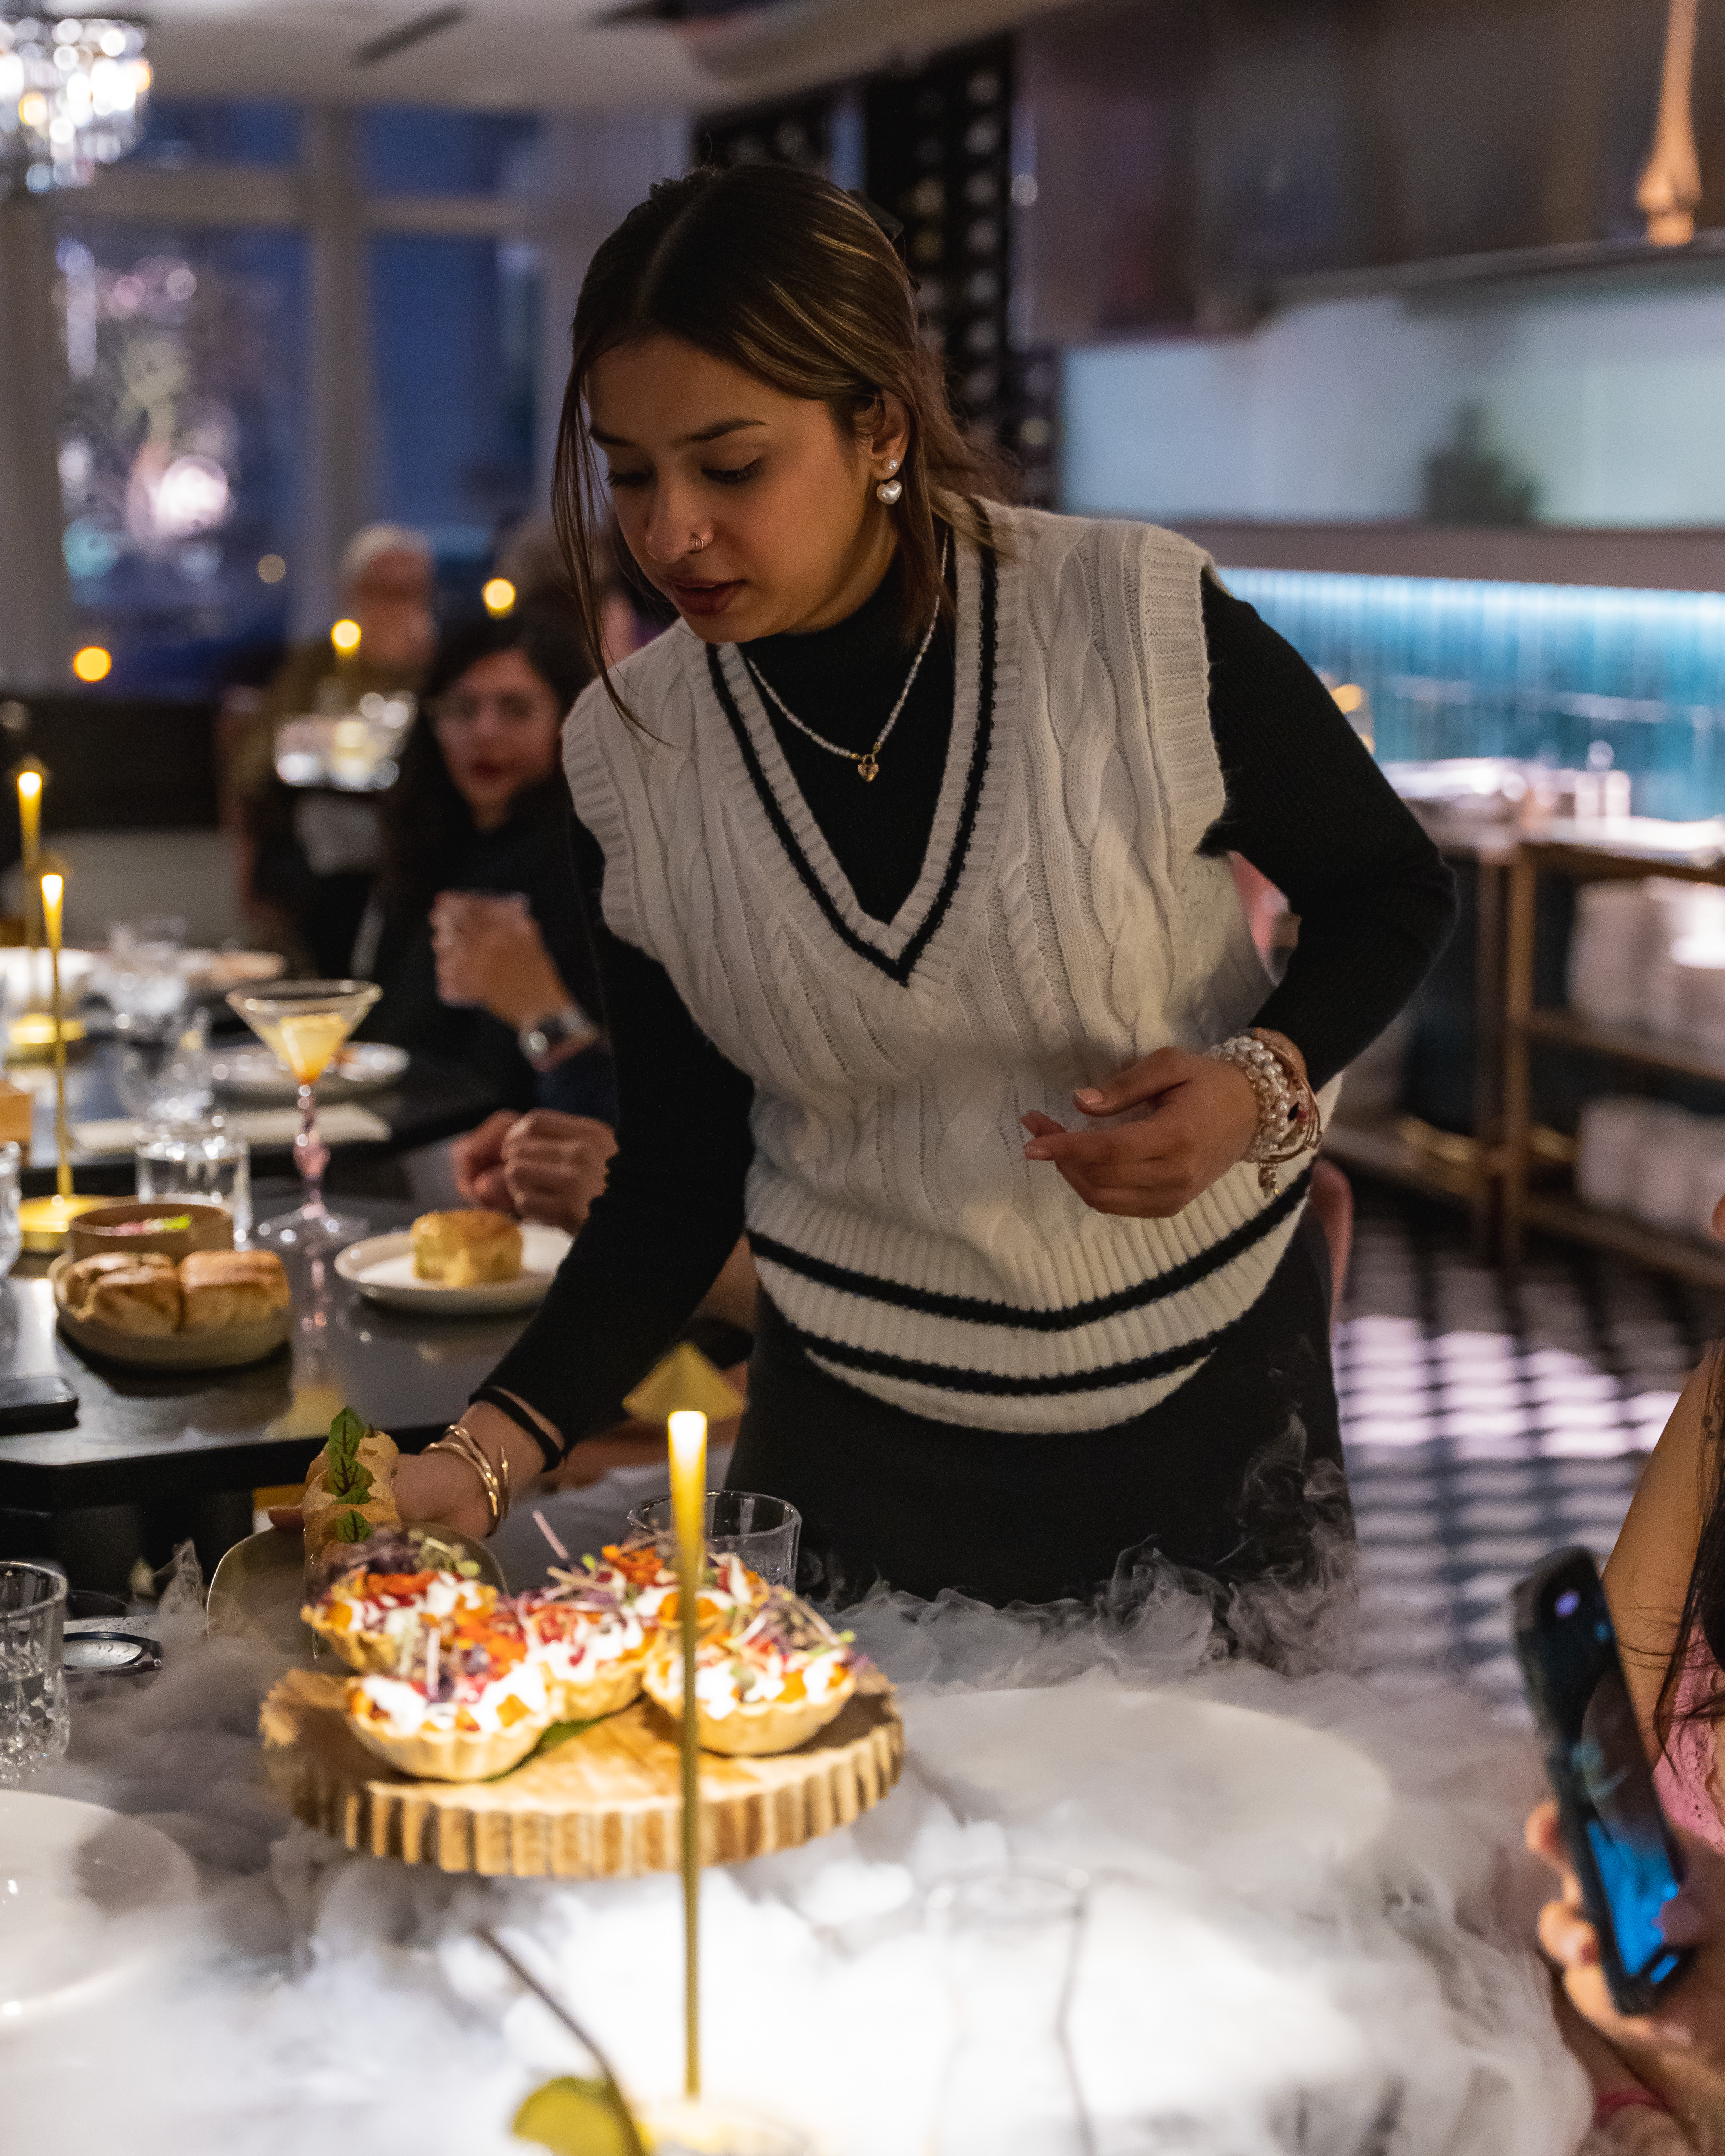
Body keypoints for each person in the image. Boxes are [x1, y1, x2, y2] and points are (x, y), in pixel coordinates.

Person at [391, 161, 1456, 1606]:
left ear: (875, 423)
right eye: (628, 471)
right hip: (851, 1439)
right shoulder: (630, 752)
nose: (669, 530)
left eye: (730, 464)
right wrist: (489, 1448)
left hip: (1196, 1416)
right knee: (837, 1824)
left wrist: (1259, 1083)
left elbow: (1389, 889)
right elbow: (684, 1174)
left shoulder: (1128, 621)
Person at [355, 609, 614, 1121]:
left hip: (529, 1141)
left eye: (515, 710)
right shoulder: (425, 848)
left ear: (568, 721)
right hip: (410, 1131)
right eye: (462, 708)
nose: (485, 732)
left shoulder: (593, 859)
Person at [234, 524, 439, 972]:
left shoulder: (440, 670)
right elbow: (254, 773)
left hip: (416, 843)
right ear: (355, 593)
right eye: (385, 591)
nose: (400, 605)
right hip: (318, 856)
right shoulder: (314, 667)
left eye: (413, 591)